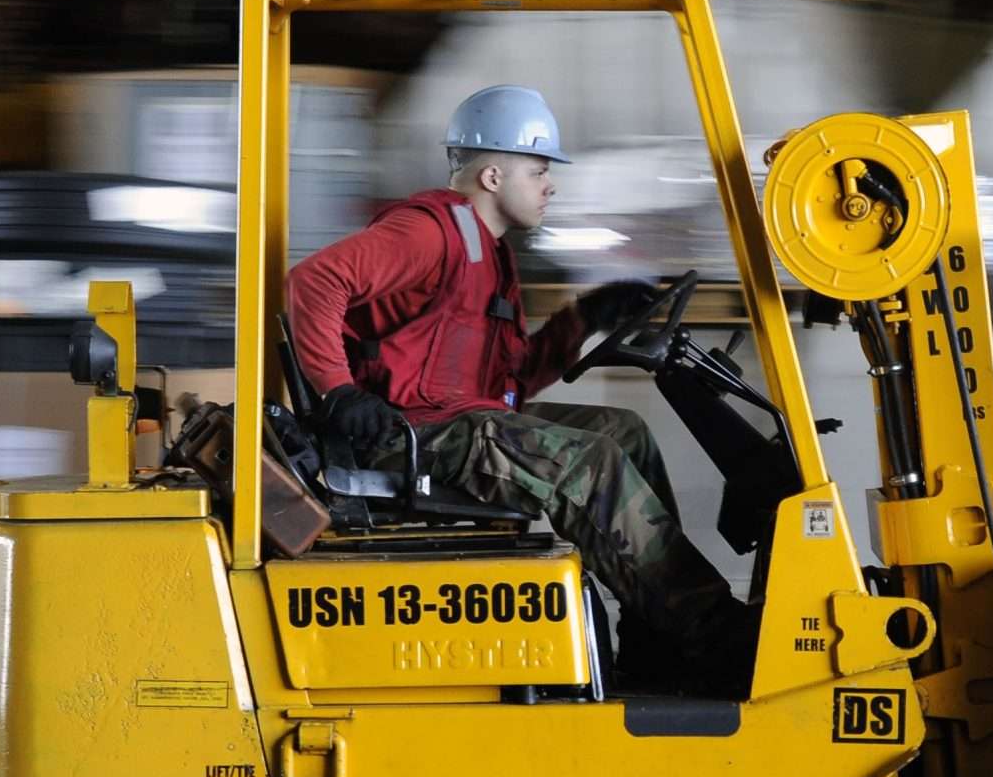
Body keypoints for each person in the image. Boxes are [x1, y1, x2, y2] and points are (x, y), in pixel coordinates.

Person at [286, 84, 755, 692]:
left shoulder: (490, 253)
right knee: (590, 463)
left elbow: (507, 384)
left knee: (623, 433)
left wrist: (586, 317)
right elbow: (313, 283)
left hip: (455, 420)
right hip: (406, 433)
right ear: (491, 175)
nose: (549, 185)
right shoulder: (428, 234)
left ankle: (657, 634)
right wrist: (339, 391)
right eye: (538, 171)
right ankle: (716, 637)